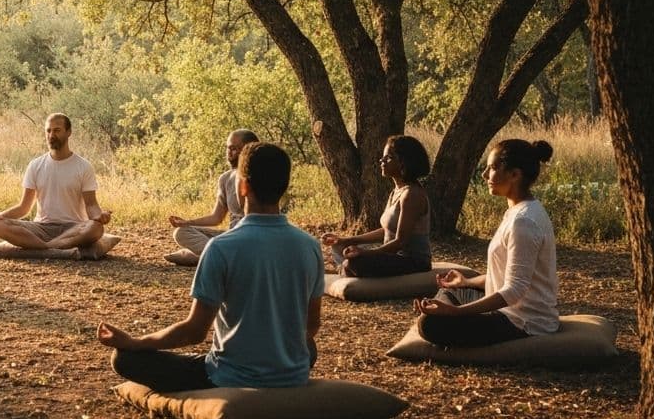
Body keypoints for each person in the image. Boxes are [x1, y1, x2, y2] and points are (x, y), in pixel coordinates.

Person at [97, 142, 324, 390]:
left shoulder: (221, 247)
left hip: (229, 377)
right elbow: (311, 326)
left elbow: (194, 332)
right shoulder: (309, 245)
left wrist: (136, 342)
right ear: (284, 186)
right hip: (291, 374)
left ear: (243, 186)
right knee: (308, 349)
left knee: (125, 359)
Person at [414, 139, 559, 347]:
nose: (484, 175)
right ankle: (446, 309)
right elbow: (505, 277)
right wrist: (466, 282)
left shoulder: (524, 221)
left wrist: (455, 312)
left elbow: (513, 290)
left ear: (515, 175)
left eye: (492, 168)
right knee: (450, 292)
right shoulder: (519, 211)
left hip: (522, 322)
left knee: (429, 324)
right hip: (508, 311)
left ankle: (444, 315)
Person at [0, 113, 115, 260]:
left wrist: (99, 216)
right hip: (41, 228)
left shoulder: (83, 166)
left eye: (57, 130)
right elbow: (23, 207)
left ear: (68, 132)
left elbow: (91, 205)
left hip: (73, 228)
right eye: (48, 131)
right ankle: (53, 248)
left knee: (96, 229)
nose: (51, 135)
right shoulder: (35, 165)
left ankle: (44, 248)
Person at [320, 135, 433, 278]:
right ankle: (344, 269)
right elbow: (386, 231)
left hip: (413, 262)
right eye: (383, 157)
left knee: (353, 263)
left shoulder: (412, 195)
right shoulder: (396, 191)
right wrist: (347, 240)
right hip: (393, 257)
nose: (382, 161)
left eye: (388, 158)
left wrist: (365, 253)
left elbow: (400, 242)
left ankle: (344, 269)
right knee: (340, 246)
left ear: (403, 162)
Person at [164, 129, 260, 266]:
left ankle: (212, 257)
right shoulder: (225, 178)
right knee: (181, 232)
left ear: (247, 150)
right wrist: (187, 222)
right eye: (228, 148)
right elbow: (216, 217)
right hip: (231, 237)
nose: (229, 153)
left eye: (234, 149)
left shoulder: (259, 176)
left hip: (249, 239)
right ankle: (219, 257)